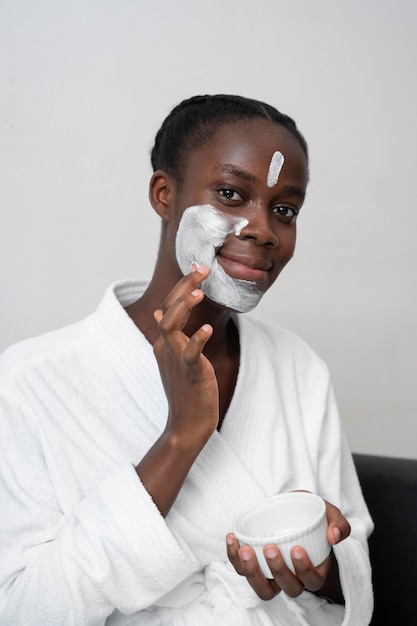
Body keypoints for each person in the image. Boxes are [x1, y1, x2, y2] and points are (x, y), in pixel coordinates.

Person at [0, 94, 373, 625]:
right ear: (164, 194)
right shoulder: (32, 382)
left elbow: (350, 566)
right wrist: (181, 438)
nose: (263, 229)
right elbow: (21, 611)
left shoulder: (298, 367)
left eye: (284, 209)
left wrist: (323, 560)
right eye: (230, 194)